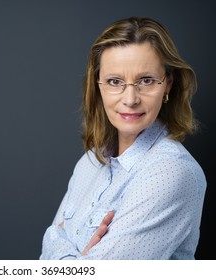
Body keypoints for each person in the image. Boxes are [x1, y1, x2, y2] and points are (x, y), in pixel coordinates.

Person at [39, 17, 207, 260]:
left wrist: (56, 242)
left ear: (168, 84)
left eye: (146, 80)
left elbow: (53, 247)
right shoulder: (89, 162)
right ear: (98, 86)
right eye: (115, 81)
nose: (130, 99)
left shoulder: (172, 172)